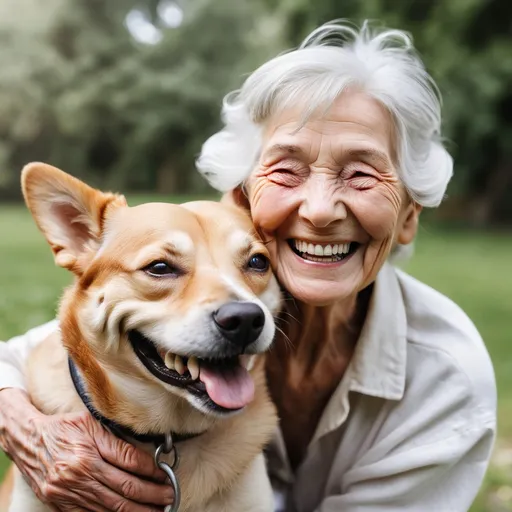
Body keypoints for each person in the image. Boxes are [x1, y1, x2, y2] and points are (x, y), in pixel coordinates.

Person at [0, 20, 497, 512]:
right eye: (287, 169)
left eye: (361, 174)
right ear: (244, 196)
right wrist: (24, 425)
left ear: (409, 217)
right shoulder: (207, 297)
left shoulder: (446, 379)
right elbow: (34, 353)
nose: (320, 209)